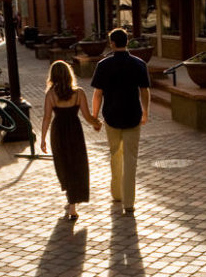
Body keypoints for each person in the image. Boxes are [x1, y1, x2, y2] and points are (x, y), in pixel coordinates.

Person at [90, 28, 150, 214]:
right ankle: (129, 203)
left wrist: (94, 117)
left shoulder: (103, 65)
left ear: (112, 43)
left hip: (111, 116)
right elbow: (145, 90)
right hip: (133, 115)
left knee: (115, 154)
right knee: (131, 159)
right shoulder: (139, 64)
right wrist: (146, 111)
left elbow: (97, 94)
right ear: (127, 42)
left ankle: (117, 193)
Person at [40, 60, 101, 221]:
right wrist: (97, 123)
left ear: (52, 76)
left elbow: (46, 118)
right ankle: (73, 202)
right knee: (77, 164)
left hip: (58, 130)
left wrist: (43, 139)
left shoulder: (51, 94)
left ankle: (71, 201)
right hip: (75, 130)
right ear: (69, 74)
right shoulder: (79, 93)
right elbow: (87, 116)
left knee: (63, 164)